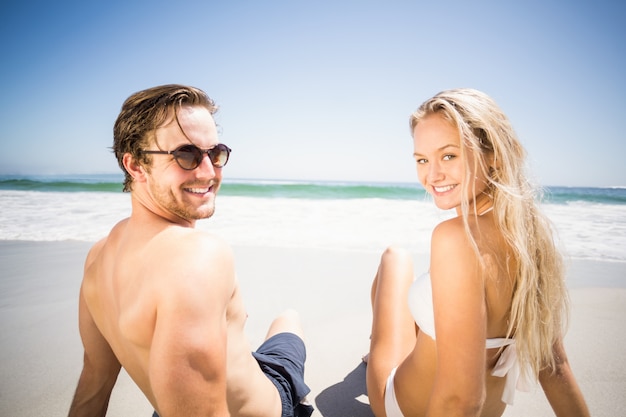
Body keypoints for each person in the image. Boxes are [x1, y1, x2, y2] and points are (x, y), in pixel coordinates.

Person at [67, 84, 313, 417]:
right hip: (264, 406)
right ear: (135, 165)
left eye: (216, 153)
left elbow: (94, 382)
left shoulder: (98, 257)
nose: (209, 172)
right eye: (186, 155)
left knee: (280, 322)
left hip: (176, 402)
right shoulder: (198, 257)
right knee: (291, 320)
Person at [365, 88, 590, 417]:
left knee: (395, 258)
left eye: (449, 155)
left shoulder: (456, 238)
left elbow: (461, 400)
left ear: (494, 154)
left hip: (401, 405)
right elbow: (555, 367)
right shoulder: (532, 238)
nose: (432, 175)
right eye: (422, 160)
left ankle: (373, 349)